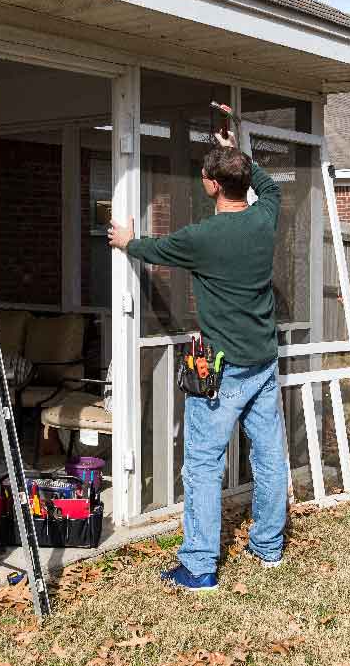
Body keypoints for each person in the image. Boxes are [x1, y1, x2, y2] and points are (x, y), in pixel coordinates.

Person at [107, 129, 287, 593]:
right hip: (263, 364)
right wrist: (239, 155)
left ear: (209, 184)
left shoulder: (201, 238)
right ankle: (268, 547)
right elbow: (271, 187)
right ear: (242, 182)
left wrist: (126, 240)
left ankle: (200, 567)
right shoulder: (264, 218)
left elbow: (151, 249)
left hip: (222, 370)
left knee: (203, 466)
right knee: (268, 457)